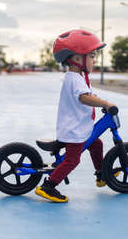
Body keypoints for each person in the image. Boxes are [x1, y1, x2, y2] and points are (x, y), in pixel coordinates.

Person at [35, 30, 116, 203]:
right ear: (78, 59)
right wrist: (105, 103)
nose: (94, 60)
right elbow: (84, 97)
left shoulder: (76, 76)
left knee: (96, 143)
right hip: (74, 130)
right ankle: (48, 187)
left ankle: (101, 175)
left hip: (78, 127)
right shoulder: (75, 78)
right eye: (92, 56)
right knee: (72, 160)